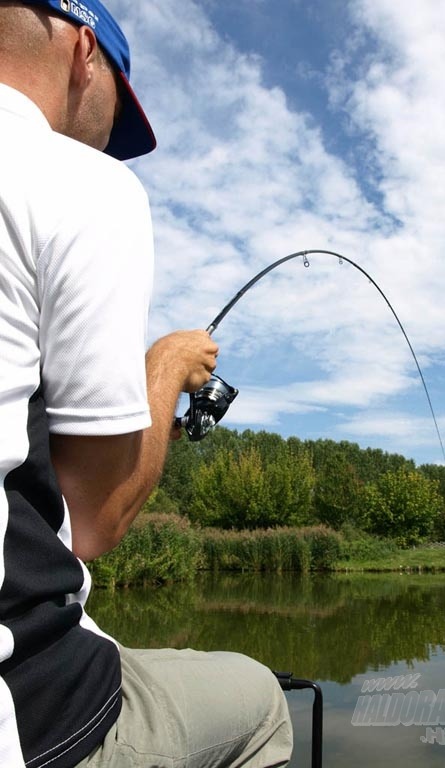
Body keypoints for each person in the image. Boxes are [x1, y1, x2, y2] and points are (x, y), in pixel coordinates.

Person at [0, 1, 293, 766]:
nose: (111, 147)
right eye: (115, 116)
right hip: (28, 719)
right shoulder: (79, 180)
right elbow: (94, 524)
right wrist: (165, 366)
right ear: (82, 54)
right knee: (260, 699)